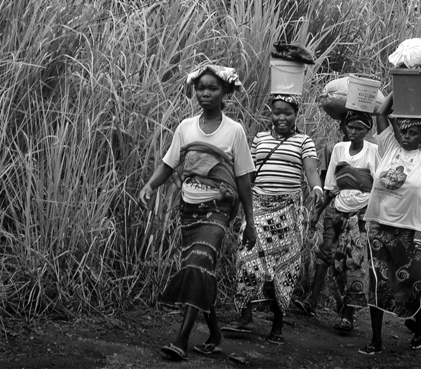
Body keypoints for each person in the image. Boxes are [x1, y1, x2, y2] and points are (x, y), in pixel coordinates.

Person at [137, 64, 257, 361]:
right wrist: (150, 186)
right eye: (200, 87)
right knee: (198, 269)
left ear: (225, 92)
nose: (205, 93)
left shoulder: (234, 131)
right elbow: (169, 164)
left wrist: (250, 222)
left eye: (212, 88)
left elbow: (243, 179)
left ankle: (182, 337)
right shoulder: (186, 127)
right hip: (189, 209)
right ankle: (214, 332)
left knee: (199, 263)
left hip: (218, 209)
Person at [223, 93, 325, 344]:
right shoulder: (259, 139)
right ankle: (245, 317)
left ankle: (277, 327)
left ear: (295, 115)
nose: (281, 117)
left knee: (284, 269)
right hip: (258, 208)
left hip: (288, 213)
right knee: (247, 259)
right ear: (271, 113)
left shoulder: (304, 141)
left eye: (287, 113)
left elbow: (311, 170)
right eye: (276, 112)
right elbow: (249, 173)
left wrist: (317, 189)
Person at [359, 88, 421, 355]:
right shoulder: (389, 145)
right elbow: (381, 112)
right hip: (378, 224)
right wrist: (399, 87)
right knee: (377, 282)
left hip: (410, 231)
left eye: (413, 133)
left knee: (411, 282)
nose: (407, 136)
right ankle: (376, 340)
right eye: (403, 131)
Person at [296, 110, 378, 334]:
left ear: (367, 131)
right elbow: (331, 186)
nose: (353, 132)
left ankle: (348, 315)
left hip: (360, 216)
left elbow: (377, 186)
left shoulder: (373, 151)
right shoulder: (339, 150)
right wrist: (317, 211)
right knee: (337, 264)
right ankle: (342, 304)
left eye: (359, 128)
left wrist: (368, 213)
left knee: (354, 263)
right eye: (350, 127)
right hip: (339, 212)